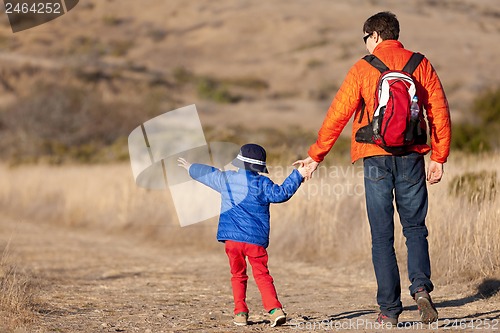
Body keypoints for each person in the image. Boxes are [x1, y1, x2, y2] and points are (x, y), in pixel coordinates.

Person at [294, 12, 451, 325]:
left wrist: (315, 156)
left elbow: (337, 115)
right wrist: (439, 157)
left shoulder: (363, 67)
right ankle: (420, 289)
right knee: (415, 228)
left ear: (375, 36)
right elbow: (438, 110)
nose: (365, 44)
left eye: (365, 38)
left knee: (382, 237)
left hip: (374, 156)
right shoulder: (420, 63)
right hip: (412, 157)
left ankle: (390, 312)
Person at [178, 143, 307, 327]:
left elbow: (209, 174)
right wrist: (298, 175)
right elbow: (282, 194)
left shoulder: (226, 179)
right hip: (255, 242)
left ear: (239, 162)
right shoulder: (263, 184)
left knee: (237, 275)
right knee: (262, 275)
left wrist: (190, 167)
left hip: (232, 241)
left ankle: (240, 313)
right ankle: (274, 310)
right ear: (260, 166)